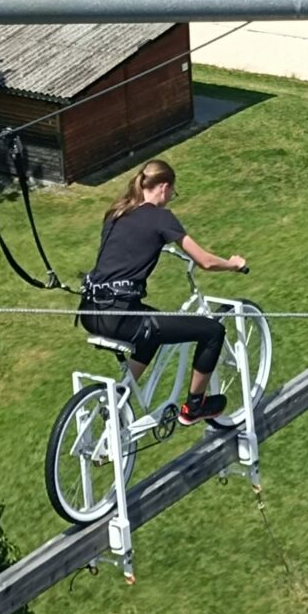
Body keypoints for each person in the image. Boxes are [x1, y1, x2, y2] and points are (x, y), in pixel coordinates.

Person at [79, 160, 247, 425]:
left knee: (152, 330)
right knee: (213, 331)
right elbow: (205, 261)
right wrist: (233, 264)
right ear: (164, 187)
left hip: (91, 312)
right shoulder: (161, 218)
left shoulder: (116, 212)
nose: (170, 198)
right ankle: (194, 406)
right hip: (121, 317)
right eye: (173, 193)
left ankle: (121, 394)